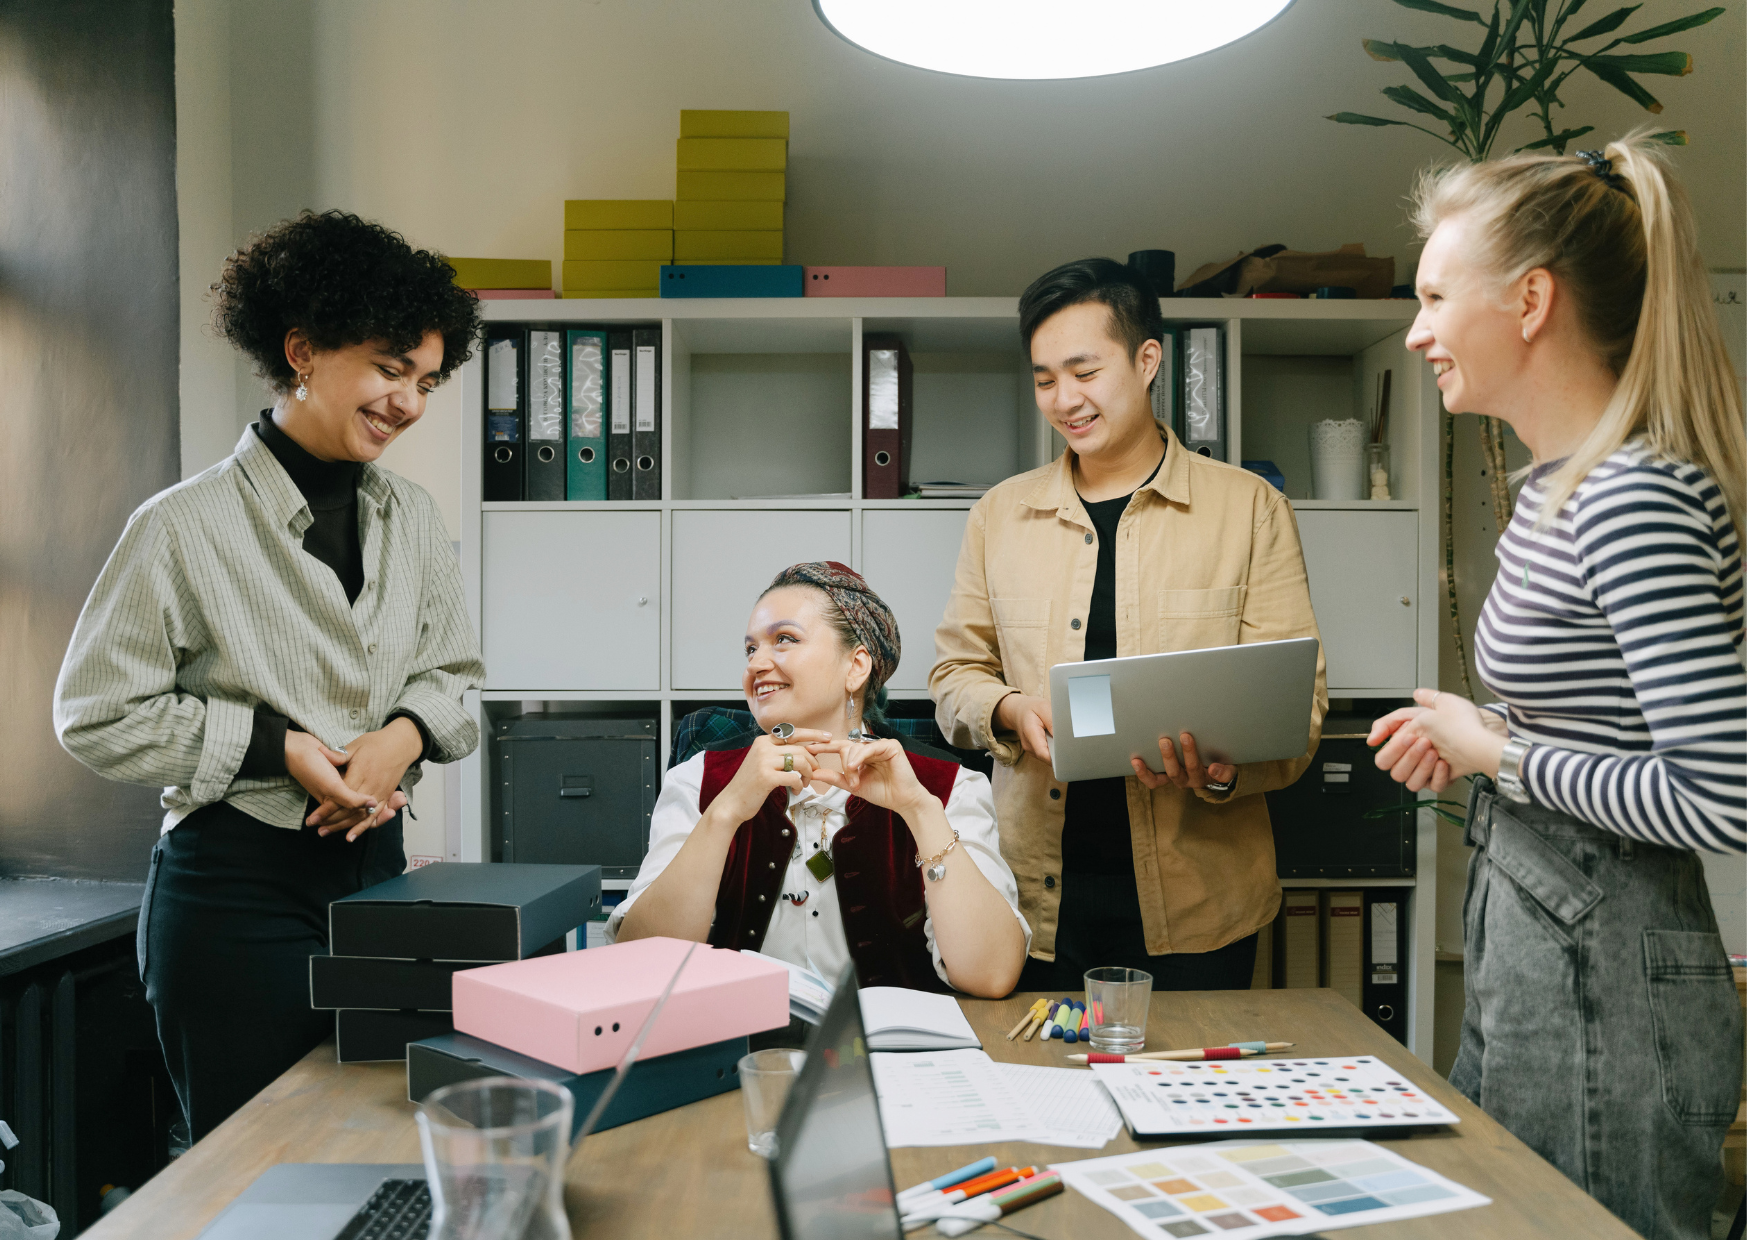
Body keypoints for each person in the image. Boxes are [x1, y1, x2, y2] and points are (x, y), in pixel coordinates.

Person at [1369, 134, 1744, 1240]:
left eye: (1436, 296)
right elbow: (1609, 721)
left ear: (1528, 299)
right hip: (1534, 936)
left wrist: (1498, 754)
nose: (1416, 329)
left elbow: (1722, 794)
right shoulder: (1553, 487)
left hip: (1609, 973)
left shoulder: (1628, 495)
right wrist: (1486, 730)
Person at [53, 210, 486, 1142]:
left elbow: (455, 676)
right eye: (386, 366)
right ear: (303, 350)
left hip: (378, 884)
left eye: (425, 380)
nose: (407, 401)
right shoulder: (182, 525)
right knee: (259, 1173)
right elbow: (93, 713)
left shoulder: (412, 516)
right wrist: (275, 747)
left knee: (379, 1151)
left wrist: (399, 739)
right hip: (233, 895)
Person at [931, 258, 1327, 993]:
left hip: (1202, 903)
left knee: (1186, 1100)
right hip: (1031, 898)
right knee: (1040, 1102)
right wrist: (1011, 710)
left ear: (1148, 360)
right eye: (1045, 378)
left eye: (1084, 371)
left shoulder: (1248, 509)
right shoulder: (999, 516)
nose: (1064, 399)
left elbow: (1296, 712)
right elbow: (954, 678)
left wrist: (1222, 768)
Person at [611, 562, 1028, 998]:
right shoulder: (697, 780)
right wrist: (726, 812)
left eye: (784, 640)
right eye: (750, 649)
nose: (757, 664)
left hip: (890, 1059)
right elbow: (642, 964)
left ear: (856, 666)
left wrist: (921, 812)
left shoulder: (949, 787)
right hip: (742, 1060)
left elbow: (992, 975)